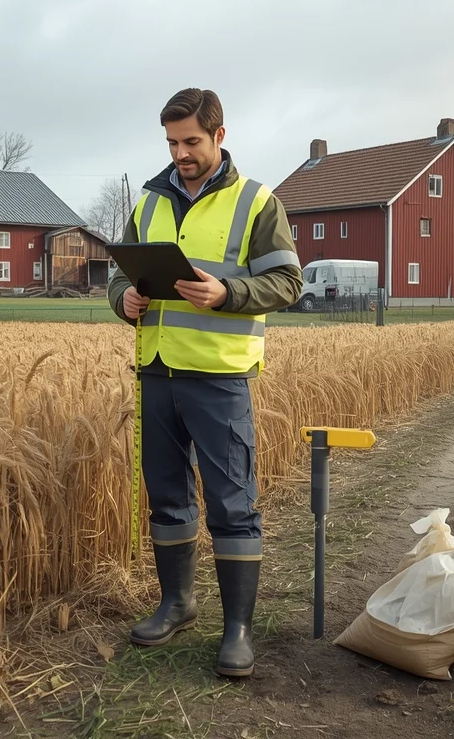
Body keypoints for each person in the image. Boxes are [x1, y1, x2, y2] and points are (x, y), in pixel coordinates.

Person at [107, 88, 302, 677]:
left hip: (218, 376)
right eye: (171, 142)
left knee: (232, 502)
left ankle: (237, 629)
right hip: (157, 371)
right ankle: (177, 603)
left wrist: (229, 294)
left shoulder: (256, 202)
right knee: (166, 494)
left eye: (191, 141)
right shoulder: (148, 201)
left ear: (219, 134)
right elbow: (117, 281)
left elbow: (288, 283)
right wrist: (127, 301)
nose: (180, 153)